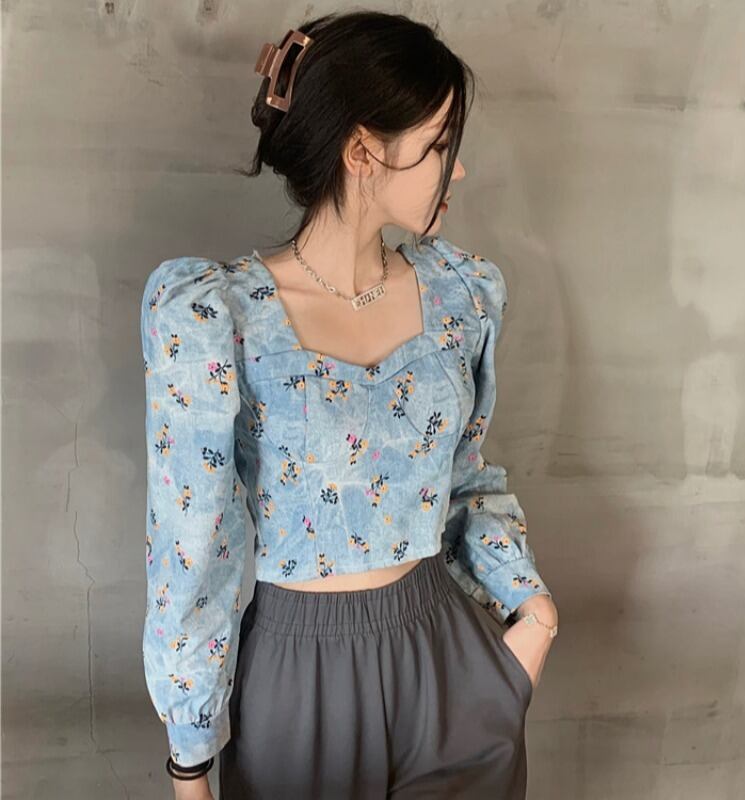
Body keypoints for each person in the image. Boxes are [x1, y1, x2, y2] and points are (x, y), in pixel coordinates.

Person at [140, 11, 559, 800]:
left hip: (446, 661)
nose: (458, 169)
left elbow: (465, 476)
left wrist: (532, 611)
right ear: (364, 151)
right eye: (439, 145)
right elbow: (194, 542)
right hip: (299, 680)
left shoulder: (459, 295)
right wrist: (189, 764)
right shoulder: (217, 316)